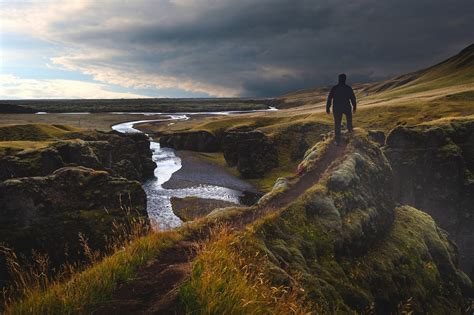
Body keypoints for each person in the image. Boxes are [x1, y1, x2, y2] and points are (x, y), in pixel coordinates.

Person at [326, 73, 357, 145]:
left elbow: (329, 98)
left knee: (337, 124)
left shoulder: (335, 88)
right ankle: (350, 137)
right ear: (345, 79)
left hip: (337, 108)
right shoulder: (348, 88)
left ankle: (337, 140)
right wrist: (354, 107)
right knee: (349, 122)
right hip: (346, 107)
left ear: (339, 79)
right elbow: (353, 98)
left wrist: (328, 107)